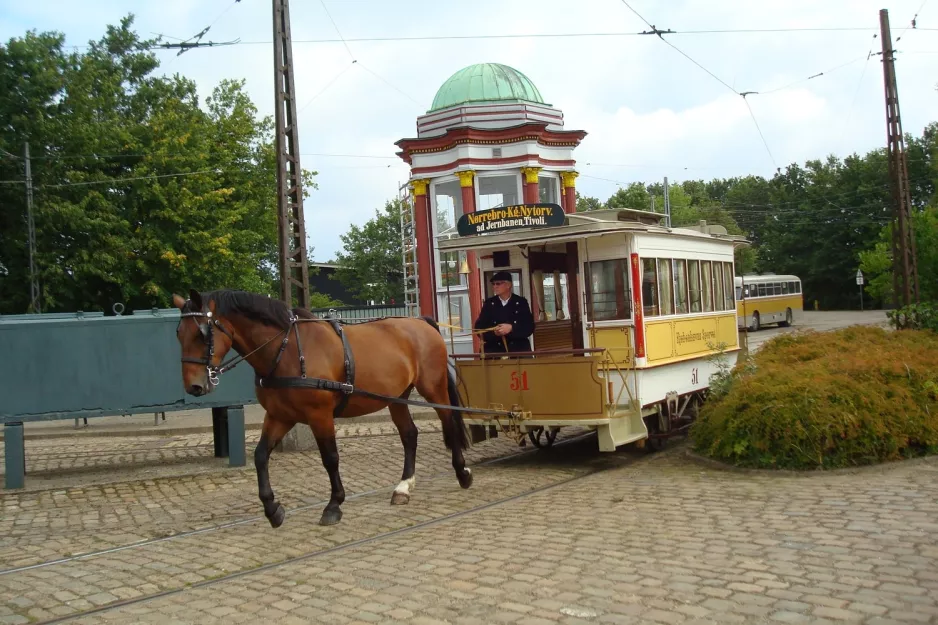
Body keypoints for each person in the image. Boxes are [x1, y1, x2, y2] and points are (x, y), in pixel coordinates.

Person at [474, 271, 535, 354]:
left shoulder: (521, 302)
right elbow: (479, 328)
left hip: (517, 351)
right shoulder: (489, 304)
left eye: (498, 284)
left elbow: (529, 327)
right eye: (493, 284)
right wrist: (494, 333)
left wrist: (511, 328)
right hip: (494, 352)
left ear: (508, 285)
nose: (495, 286)